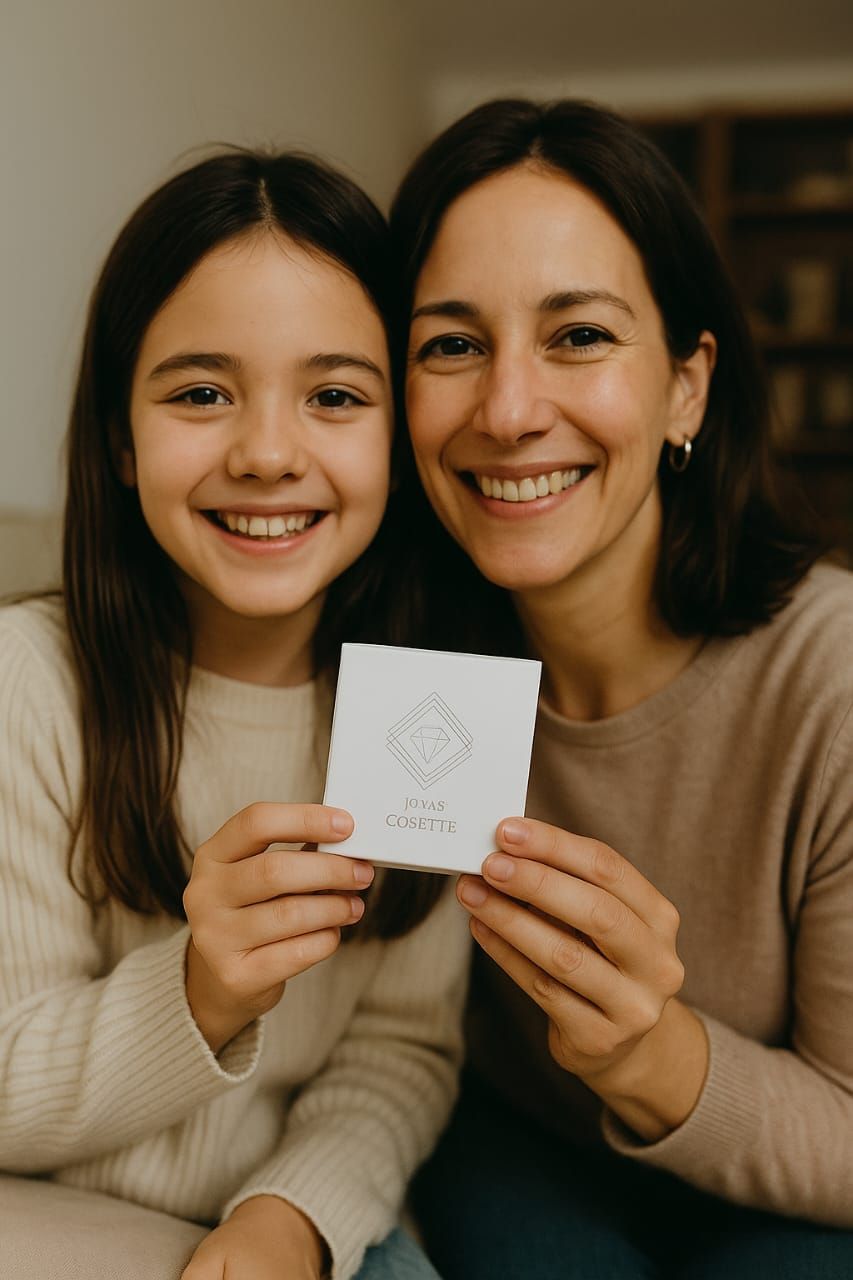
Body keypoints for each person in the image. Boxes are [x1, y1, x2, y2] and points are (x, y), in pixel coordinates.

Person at [388, 98, 853, 1278]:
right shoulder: (389, 655)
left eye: (578, 336)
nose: (505, 410)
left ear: (687, 387)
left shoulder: (830, 680)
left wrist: (654, 1055)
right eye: (450, 343)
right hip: (513, 1139)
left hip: (792, 1177)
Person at [0, 149, 470, 1280]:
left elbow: (402, 1050)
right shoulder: (30, 683)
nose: (266, 452)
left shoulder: (430, 703)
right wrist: (203, 987)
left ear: (398, 449)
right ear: (119, 436)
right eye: (201, 392)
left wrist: (289, 1216)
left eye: (336, 397)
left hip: (302, 1217)